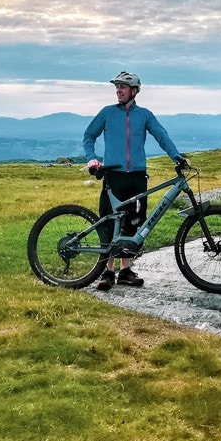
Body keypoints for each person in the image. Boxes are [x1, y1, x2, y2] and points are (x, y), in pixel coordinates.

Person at [82, 70, 187, 290]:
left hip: (137, 176)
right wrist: (91, 158)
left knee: (133, 222)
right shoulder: (108, 113)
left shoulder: (144, 115)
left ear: (134, 91)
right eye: (117, 87)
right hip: (114, 175)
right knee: (110, 221)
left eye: (122, 87)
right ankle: (107, 271)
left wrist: (176, 156)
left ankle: (126, 270)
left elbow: (161, 136)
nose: (118, 91)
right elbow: (89, 135)